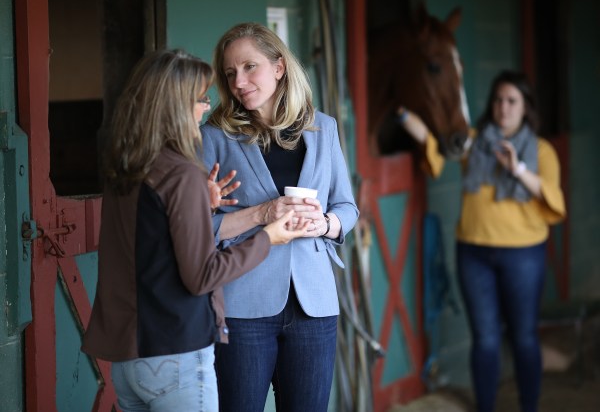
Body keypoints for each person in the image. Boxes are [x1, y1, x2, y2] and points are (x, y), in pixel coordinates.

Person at [81, 49, 309, 412]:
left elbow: (152, 243)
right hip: (175, 354)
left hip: (128, 361)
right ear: (176, 105)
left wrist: (201, 206)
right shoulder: (182, 173)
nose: (205, 108)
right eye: (201, 99)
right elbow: (202, 276)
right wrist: (269, 237)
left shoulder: (126, 169)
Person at [200, 22, 359, 412]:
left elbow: (347, 208)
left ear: (279, 67)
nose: (239, 82)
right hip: (242, 305)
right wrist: (262, 213)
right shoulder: (214, 136)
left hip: (314, 306)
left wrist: (326, 224)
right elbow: (197, 229)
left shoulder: (324, 128)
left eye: (249, 67)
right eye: (230, 73)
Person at [397, 70, 566, 412]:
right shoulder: (473, 142)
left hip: (524, 255)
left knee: (523, 337)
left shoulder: (541, 150)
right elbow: (435, 149)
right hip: (473, 253)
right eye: (499, 100)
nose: (504, 107)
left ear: (526, 107)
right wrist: (401, 113)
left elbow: (553, 199)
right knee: (485, 339)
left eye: (512, 101)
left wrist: (517, 168)